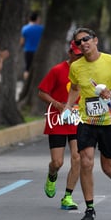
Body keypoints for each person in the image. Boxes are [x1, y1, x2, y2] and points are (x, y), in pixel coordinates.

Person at [63, 27, 111, 220]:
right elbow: (75, 89)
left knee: (109, 168)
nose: (83, 43)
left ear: (95, 40)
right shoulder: (76, 67)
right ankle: (90, 209)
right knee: (85, 162)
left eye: (86, 39)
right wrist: (67, 107)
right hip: (86, 122)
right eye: (79, 42)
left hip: (109, 122)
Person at [38, 40, 83, 210]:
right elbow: (42, 92)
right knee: (57, 162)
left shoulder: (86, 71)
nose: (79, 58)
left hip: (78, 118)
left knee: (77, 157)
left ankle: (68, 197)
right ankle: (52, 175)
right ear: (70, 53)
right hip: (58, 119)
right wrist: (57, 104)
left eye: (82, 55)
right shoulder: (57, 70)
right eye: (77, 54)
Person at [20, 12, 44, 80]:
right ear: (37, 19)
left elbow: (22, 42)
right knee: (38, 68)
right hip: (38, 51)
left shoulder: (24, 28)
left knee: (27, 68)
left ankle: (26, 82)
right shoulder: (41, 29)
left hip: (28, 51)